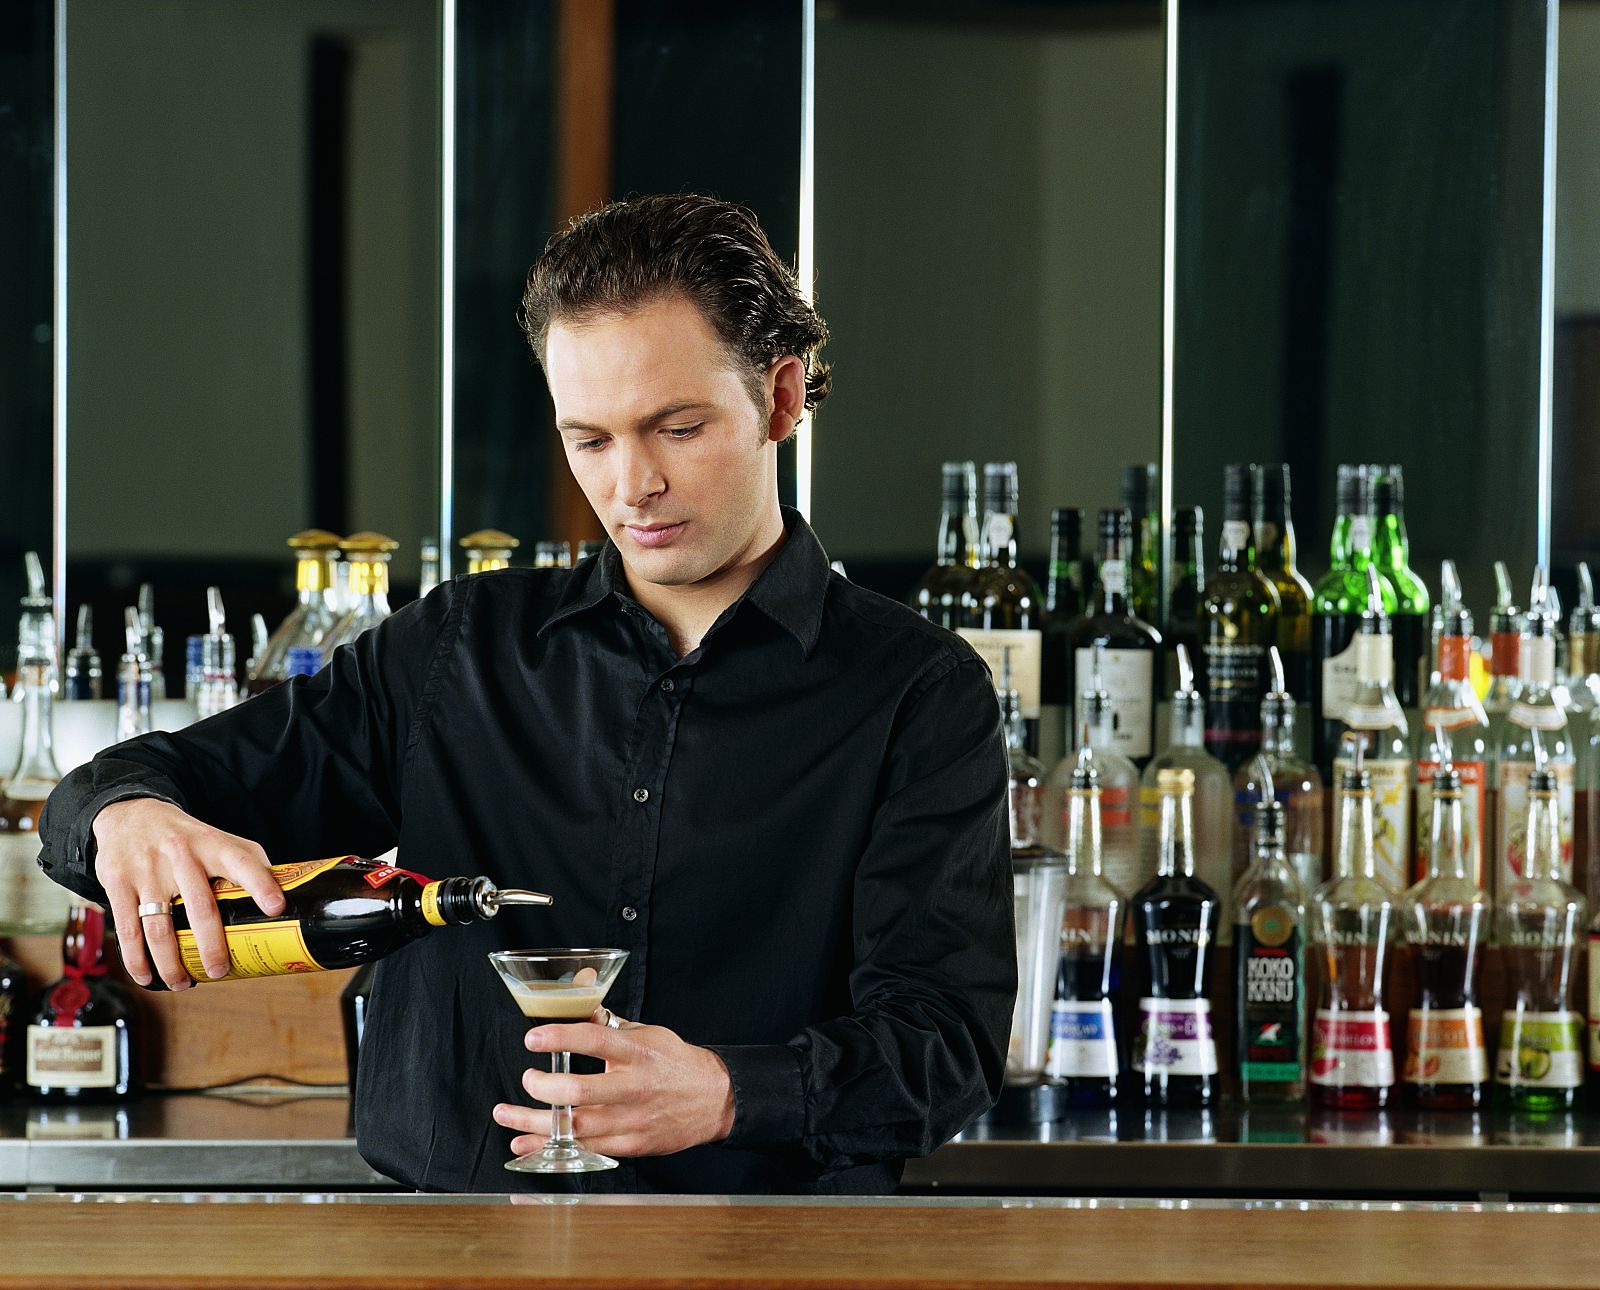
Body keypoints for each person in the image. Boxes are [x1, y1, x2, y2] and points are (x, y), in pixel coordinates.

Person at [38, 193, 1015, 1195]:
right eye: (589, 440)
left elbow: (947, 1045)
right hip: (448, 1250)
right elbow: (139, 786)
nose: (632, 485)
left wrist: (731, 1094)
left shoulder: (917, 693)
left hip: (762, 1250)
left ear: (780, 396)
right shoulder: (454, 649)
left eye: (677, 428)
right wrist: (125, 816)